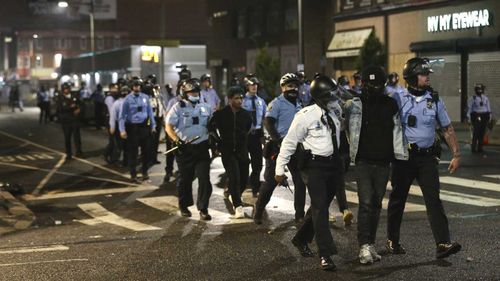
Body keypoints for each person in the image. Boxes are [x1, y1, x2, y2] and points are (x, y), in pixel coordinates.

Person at [387, 57, 462, 259]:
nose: (427, 77)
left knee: (433, 200)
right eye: (423, 74)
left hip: (427, 158)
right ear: (412, 76)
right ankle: (392, 239)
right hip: (404, 157)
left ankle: (442, 243)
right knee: (397, 199)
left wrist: (456, 154)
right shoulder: (398, 98)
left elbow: (447, 129)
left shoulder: (434, 99)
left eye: (428, 74)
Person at [276, 75, 343, 271]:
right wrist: (280, 169)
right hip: (315, 167)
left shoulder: (335, 111)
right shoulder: (305, 115)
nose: (334, 98)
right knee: (321, 208)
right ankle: (326, 254)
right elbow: (289, 143)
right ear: (320, 96)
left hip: (333, 165)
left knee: (318, 206)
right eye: (330, 95)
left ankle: (301, 239)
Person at [344, 65, 405, 264]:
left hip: (383, 162)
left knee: (376, 205)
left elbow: (398, 132)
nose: (374, 87)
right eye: (370, 83)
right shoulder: (355, 104)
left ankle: (369, 244)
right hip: (363, 161)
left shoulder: (391, 105)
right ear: (363, 84)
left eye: (377, 83)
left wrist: (400, 156)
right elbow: (342, 124)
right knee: (366, 203)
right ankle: (363, 246)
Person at [253, 73, 306, 224]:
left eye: (295, 85)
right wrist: (278, 140)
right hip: (278, 147)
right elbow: (268, 123)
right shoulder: (276, 103)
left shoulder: (300, 103)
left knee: (300, 181)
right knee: (271, 182)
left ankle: (299, 215)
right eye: (290, 85)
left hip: (296, 147)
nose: (293, 88)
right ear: (283, 87)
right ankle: (259, 209)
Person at [165, 78, 213, 220]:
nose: (195, 94)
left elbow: (211, 124)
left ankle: (203, 208)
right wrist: (176, 140)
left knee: (204, 179)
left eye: (197, 91)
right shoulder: (178, 107)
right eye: (191, 92)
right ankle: (184, 205)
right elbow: (168, 126)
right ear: (185, 93)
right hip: (185, 149)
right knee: (185, 179)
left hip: (202, 148)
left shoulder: (206, 107)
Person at [209, 86, 253, 218]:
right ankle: (238, 206)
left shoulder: (246, 115)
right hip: (227, 152)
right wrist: (217, 143)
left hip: (242, 151)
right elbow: (211, 129)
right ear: (229, 100)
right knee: (234, 177)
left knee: (244, 178)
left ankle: (232, 193)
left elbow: (248, 130)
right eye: (236, 98)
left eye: (241, 98)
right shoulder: (220, 114)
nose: (239, 101)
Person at [118, 77, 156, 183]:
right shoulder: (127, 99)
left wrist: (153, 126)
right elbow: (122, 116)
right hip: (132, 128)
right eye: (135, 86)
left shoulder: (145, 97)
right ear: (132, 87)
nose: (137, 87)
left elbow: (150, 113)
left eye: (139, 86)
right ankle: (133, 174)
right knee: (133, 153)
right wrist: (122, 130)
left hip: (144, 127)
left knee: (146, 152)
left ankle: (144, 172)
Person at [242, 75, 267, 197]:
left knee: (257, 164)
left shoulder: (261, 101)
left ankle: (255, 188)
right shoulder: (241, 101)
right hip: (243, 136)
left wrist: (265, 136)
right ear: (247, 86)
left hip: (256, 135)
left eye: (256, 85)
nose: (254, 87)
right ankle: (232, 185)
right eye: (252, 85)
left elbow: (265, 119)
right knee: (242, 163)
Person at [56, 82, 82, 160]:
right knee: (67, 138)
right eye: (65, 89)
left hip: (74, 120)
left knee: (77, 137)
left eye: (68, 88)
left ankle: (79, 152)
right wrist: (70, 107)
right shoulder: (60, 98)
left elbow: (81, 104)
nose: (67, 90)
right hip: (66, 121)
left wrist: (79, 109)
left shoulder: (74, 96)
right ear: (63, 90)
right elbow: (60, 109)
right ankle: (68, 153)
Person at [143, 75, 165, 165]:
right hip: (150, 119)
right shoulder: (146, 95)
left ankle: (153, 158)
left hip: (158, 118)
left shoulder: (158, 95)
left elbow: (161, 106)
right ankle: (148, 158)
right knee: (149, 140)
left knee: (155, 140)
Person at [467, 83, 492, 153]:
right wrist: (468, 117)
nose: (480, 91)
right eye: (478, 89)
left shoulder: (485, 98)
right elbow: (470, 108)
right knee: (476, 132)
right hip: (477, 116)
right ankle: (473, 147)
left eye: (481, 89)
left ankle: (480, 147)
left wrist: (490, 116)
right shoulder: (473, 98)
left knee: (482, 132)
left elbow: (488, 107)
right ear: (476, 90)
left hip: (484, 116)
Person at [109, 85, 129, 167]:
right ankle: (115, 160)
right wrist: (112, 126)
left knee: (126, 145)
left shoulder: (121, 103)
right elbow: (113, 116)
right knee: (119, 145)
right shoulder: (117, 103)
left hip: (126, 125)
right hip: (119, 126)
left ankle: (126, 161)